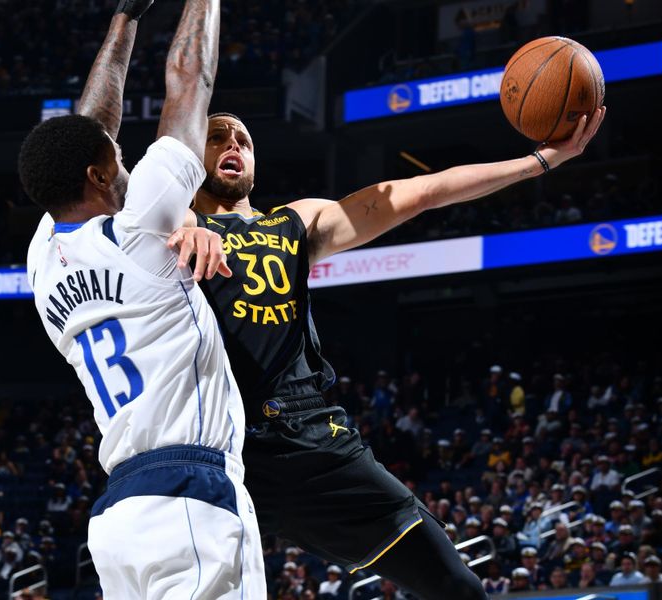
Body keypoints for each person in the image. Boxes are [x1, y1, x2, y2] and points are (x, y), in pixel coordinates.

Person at [175, 104, 606, 598]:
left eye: (243, 139)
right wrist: (178, 220)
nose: (233, 143)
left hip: (311, 440)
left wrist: (541, 161)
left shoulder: (295, 223)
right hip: (214, 447)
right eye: (217, 137)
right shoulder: (169, 226)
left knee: (458, 587)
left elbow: (422, 191)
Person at [19, 0, 264, 597]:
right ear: (101, 178)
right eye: (119, 162)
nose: (127, 166)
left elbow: (88, 131)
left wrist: (125, 16)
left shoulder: (42, 259)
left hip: (119, 515)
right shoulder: (139, 230)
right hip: (189, 493)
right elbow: (191, 82)